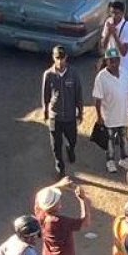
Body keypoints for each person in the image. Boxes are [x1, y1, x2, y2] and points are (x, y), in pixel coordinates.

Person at [34, 181, 89, 255]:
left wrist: (58, 185)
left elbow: (39, 196)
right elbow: (85, 222)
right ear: (55, 205)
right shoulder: (60, 222)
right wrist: (82, 200)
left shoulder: (40, 215)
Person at [41, 47, 85, 177]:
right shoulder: (48, 75)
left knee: (72, 140)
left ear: (66, 57)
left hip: (70, 116)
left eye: (62, 58)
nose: (60, 61)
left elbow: (78, 94)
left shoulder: (73, 73)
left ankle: (70, 149)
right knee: (55, 145)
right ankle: (59, 166)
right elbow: (45, 95)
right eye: (57, 58)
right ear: (53, 58)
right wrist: (45, 112)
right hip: (55, 117)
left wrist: (80, 112)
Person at [93, 47, 128, 174]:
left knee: (124, 138)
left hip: (123, 114)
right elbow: (97, 99)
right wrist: (99, 117)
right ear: (106, 61)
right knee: (110, 140)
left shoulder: (124, 72)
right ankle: (110, 161)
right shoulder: (101, 77)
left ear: (119, 60)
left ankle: (124, 159)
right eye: (111, 61)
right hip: (109, 116)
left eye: (116, 60)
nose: (114, 63)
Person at [102, 0, 128, 79]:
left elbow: (124, 52)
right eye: (112, 13)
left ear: (122, 13)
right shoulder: (108, 22)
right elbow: (103, 45)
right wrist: (108, 33)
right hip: (110, 63)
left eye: (117, 13)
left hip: (123, 66)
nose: (114, 16)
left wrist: (114, 34)